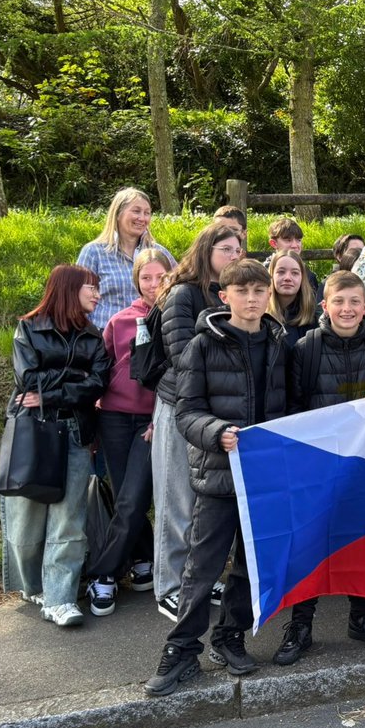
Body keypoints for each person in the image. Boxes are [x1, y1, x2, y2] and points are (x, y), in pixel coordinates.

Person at [144, 259, 288, 696]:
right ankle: (182, 650)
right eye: (241, 292)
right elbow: (185, 413)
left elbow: (295, 405)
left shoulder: (282, 344)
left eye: (258, 292)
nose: (251, 299)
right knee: (202, 567)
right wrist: (217, 432)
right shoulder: (201, 347)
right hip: (219, 475)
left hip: (265, 477)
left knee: (248, 565)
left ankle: (230, 637)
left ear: (269, 296)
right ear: (224, 297)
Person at [274, 270, 365, 665]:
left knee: (361, 541)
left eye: (354, 302)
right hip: (317, 464)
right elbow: (292, 406)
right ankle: (300, 624)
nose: (346, 309)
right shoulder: (305, 349)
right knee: (309, 544)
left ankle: (361, 617)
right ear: (324, 306)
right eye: (338, 302)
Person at [2, 264, 111, 627]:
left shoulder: (94, 336)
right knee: (26, 518)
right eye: (90, 288)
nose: (97, 294)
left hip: (77, 432)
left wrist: (56, 388)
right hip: (32, 432)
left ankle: (60, 599)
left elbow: (97, 384)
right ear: (68, 289)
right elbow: (27, 379)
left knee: (69, 520)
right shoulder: (29, 328)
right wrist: (73, 377)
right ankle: (33, 586)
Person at [150, 224, 243, 620]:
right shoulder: (182, 294)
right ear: (206, 251)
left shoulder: (229, 295)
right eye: (226, 249)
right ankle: (168, 586)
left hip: (216, 412)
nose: (234, 255)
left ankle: (195, 578)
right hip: (179, 407)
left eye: (238, 249)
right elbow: (181, 354)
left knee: (202, 501)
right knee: (176, 500)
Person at [85, 249, 173, 615]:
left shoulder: (177, 318)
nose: (153, 285)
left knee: (135, 496)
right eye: (146, 278)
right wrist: (92, 420)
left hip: (151, 420)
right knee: (125, 495)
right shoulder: (120, 322)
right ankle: (141, 561)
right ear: (136, 280)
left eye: (160, 277)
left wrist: (160, 417)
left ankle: (102, 573)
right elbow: (101, 372)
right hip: (114, 418)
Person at [77, 187, 176, 330]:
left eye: (147, 213)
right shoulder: (94, 252)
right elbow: (78, 300)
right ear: (118, 214)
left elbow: (179, 290)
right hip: (104, 340)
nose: (142, 218)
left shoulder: (159, 253)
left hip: (151, 337)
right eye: (136, 211)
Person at [268, 249, 318, 350]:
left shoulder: (315, 319)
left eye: (295, 273)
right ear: (271, 276)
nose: (287, 278)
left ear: (302, 278)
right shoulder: (260, 318)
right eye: (281, 272)